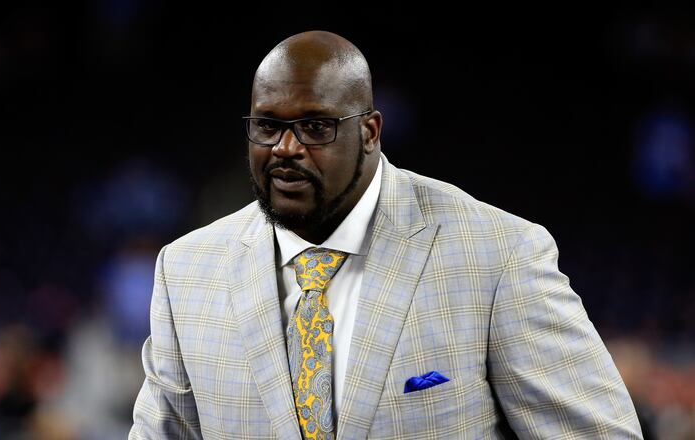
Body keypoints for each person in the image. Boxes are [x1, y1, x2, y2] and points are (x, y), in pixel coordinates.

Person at [129, 30, 642, 439]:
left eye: (315, 127)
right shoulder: (187, 271)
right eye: (267, 126)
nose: (286, 148)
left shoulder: (497, 256)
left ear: (370, 132)